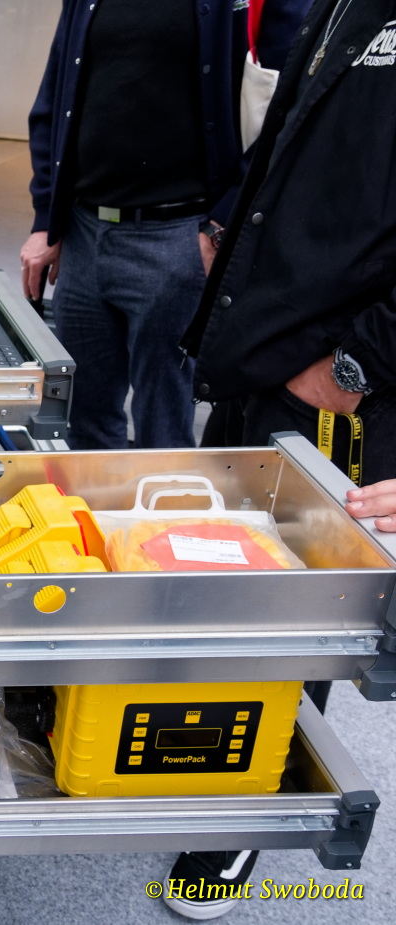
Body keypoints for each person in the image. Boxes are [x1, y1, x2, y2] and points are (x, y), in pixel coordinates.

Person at [175, 4, 396, 915]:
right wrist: (230, 222)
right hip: (263, 357)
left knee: (296, 616)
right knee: (224, 579)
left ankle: (239, 811)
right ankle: (203, 761)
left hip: (333, 388)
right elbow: (299, 143)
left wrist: (355, 365)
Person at [21, 0, 308, 450]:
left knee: (164, 431)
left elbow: (288, 110)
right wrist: (47, 219)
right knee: (83, 422)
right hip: (83, 233)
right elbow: (54, 99)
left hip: (177, 240)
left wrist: (222, 221)